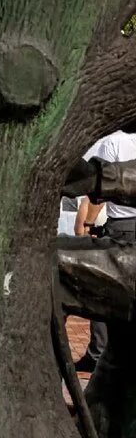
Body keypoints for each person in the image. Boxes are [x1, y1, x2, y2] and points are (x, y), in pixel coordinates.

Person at [75, 128, 136, 373]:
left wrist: (87, 225)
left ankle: (99, 351)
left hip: (122, 227)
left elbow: (97, 194)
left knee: (102, 287)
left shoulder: (113, 142)